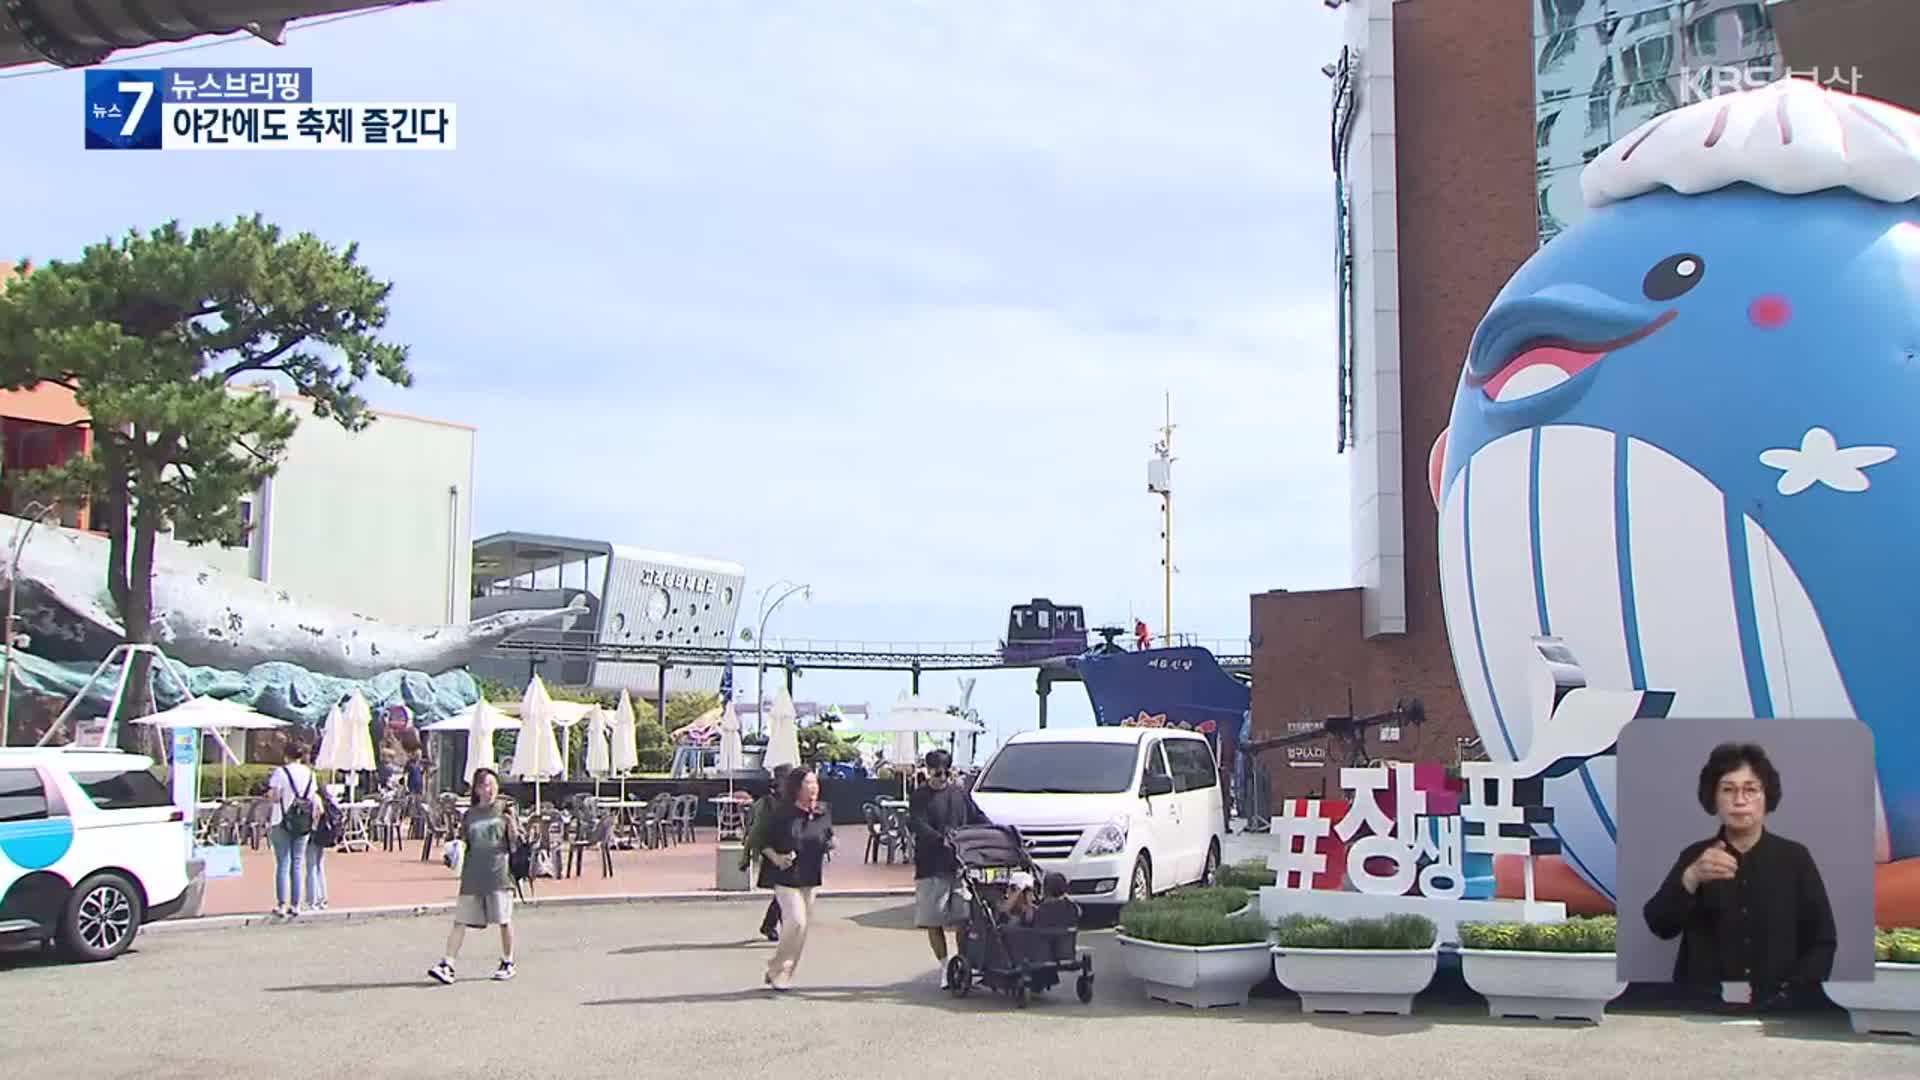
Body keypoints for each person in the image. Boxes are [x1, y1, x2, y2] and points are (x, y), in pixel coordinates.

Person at [1643, 741, 1837, 1010]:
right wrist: (1691, 878)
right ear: (1713, 797)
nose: (1740, 800)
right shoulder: (1696, 856)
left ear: (1767, 796)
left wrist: (1793, 994)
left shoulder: (1795, 858)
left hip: (1780, 1009)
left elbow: (1823, 939)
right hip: (1702, 1007)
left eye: (1751, 789)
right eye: (1728, 790)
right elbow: (1659, 925)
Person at [429, 767, 521, 984]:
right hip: (472, 875)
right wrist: (452, 852)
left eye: (492, 784)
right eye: (484, 785)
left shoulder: (505, 809)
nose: (489, 790)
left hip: (499, 873)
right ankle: (448, 963)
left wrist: (512, 825)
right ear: (477, 789)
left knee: (504, 920)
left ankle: (508, 961)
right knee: (460, 920)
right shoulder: (470, 815)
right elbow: (462, 842)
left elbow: (515, 843)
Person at [907, 748, 984, 987]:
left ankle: (961, 963)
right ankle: (944, 965)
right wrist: (941, 839)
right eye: (936, 773)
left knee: (963, 918)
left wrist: (997, 831)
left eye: (945, 773)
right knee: (934, 920)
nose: (941, 778)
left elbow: (977, 817)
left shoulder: (960, 795)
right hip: (931, 866)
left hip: (958, 866)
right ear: (927, 772)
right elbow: (916, 823)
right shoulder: (920, 796)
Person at [760, 767, 834, 991]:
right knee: (796, 921)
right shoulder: (781, 813)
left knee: (803, 929)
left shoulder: (823, 811)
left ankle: (783, 972)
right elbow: (762, 841)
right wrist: (777, 857)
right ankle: (777, 965)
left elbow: (827, 834)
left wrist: (830, 842)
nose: (813, 788)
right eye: (808, 784)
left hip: (810, 874)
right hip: (785, 874)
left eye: (815, 783)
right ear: (796, 788)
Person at [266, 741, 320, 919]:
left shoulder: (281, 773)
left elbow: (274, 797)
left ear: (286, 755)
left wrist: (270, 796)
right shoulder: (310, 774)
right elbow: (313, 799)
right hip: (303, 822)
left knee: (283, 863)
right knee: (297, 863)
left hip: (281, 820)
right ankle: (296, 905)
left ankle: (282, 904)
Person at [741, 763, 793, 942]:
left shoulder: (792, 799)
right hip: (775, 852)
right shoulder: (769, 803)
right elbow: (759, 833)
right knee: (786, 891)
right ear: (779, 781)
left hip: (791, 851)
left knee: (786, 892)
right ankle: (785, 929)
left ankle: (770, 925)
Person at [305, 783, 342, 912]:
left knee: (311, 867)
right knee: (319, 866)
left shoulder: (313, 797)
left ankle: (312, 899)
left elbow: (318, 811)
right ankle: (322, 898)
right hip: (324, 834)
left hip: (314, 834)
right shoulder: (328, 798)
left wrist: (312, 827)